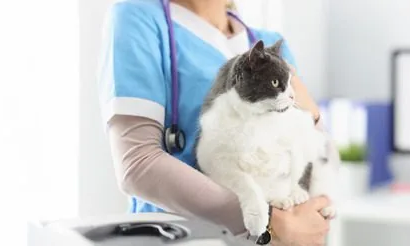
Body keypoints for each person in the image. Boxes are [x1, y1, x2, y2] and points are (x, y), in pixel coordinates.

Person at [98, 0, 334, 245]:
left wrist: (313, 116)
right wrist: (268, 220)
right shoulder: (139, 19)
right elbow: (138, 164)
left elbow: (318, 157)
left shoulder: (270, 44)